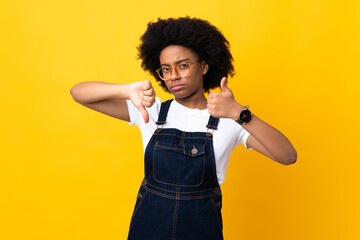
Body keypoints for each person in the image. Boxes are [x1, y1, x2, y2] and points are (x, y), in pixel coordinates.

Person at [70, 16, 297, 240]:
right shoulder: (151, 111)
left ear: (205, 66)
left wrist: (239, 113)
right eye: (166, 70)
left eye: (183, 66)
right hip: (148, 230)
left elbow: (287, 156)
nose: (174, 76)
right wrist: (126, 90)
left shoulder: (229, 119)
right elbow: (79, 93)